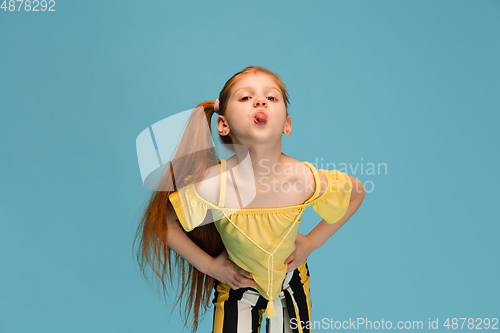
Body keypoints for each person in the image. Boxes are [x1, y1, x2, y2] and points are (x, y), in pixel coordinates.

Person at [134, 66, 366, 333]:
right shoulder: (213, 185)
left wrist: (312, 242)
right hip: (237, 288)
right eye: (245, 98)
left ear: (287, 124)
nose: (259, 101)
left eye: (271, 97)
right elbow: (163, 222)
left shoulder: (302, 178)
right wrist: (209, 266)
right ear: (223, 125)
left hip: (291, 284)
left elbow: (356, 193)